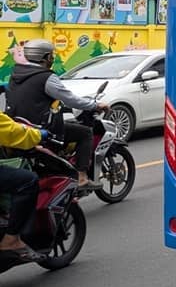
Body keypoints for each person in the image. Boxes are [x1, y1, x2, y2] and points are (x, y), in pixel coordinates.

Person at [5, 39, 109, 190]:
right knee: (85, 133)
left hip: (20, 125)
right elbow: (70, 99)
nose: (52, 58)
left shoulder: (16, 73)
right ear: (45, 57)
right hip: (42, 129)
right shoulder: (46, 77)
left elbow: (34, 98)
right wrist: (95, 105)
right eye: (51, 55)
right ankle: (82, 177)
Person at [0, 112, 46, 262]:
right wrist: (39, 134)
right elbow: (11, 131)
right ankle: (11, 240)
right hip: (30, 131)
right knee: (28, 181)